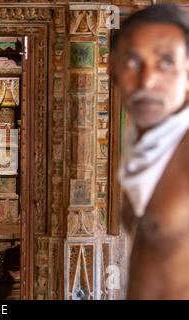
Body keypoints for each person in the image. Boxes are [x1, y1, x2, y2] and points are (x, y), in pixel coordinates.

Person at [111, 3, 189, 299]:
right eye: (133, 62)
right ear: (114, 70)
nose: (147, 81)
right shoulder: (142, 147)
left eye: (165, 63)